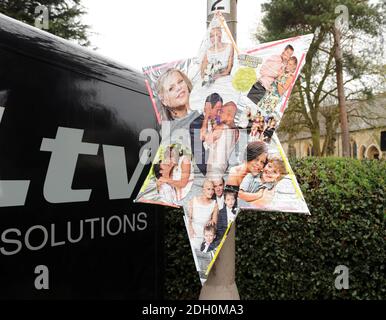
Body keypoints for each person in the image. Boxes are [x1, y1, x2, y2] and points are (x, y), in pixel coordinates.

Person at [206, 101, 239, 178]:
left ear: (229, 115)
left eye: (221, 111)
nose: (219, 113)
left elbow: (207, 140)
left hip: (213, 168)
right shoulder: (236, 131)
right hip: (222, 168)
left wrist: (209, 124)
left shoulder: (221, 127)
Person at [187, 179, 219, 250]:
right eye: (208, 189)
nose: (211, 192)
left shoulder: (215, 204)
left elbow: (214, 223)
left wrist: (211, 221)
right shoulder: (193, 200)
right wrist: (190, 228)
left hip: (206, 236)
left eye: (213, 189)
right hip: (193, 232)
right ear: (203, 189)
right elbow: (189, 218)